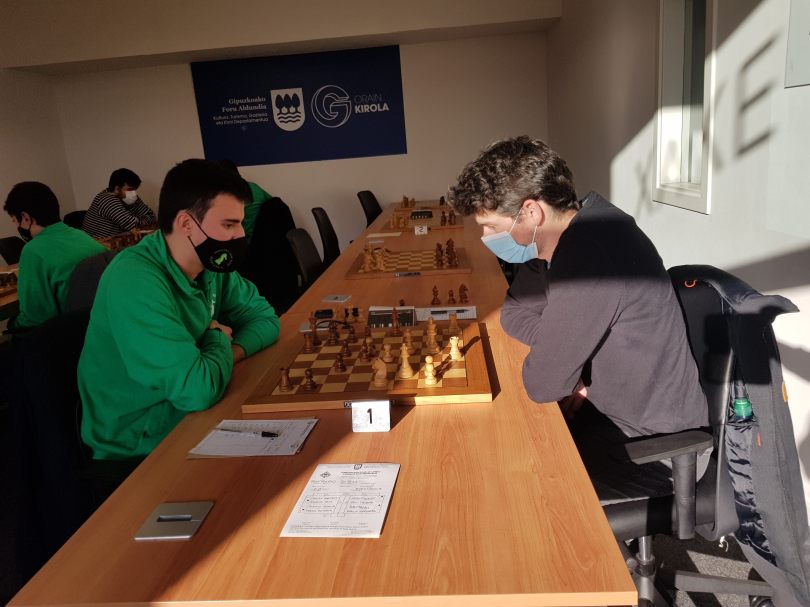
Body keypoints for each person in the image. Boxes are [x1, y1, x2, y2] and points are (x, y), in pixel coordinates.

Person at [449, 136, 708, 502]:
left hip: (654, 451)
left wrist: (564, 360)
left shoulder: (592, 256)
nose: (484, 236)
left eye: (490, 225)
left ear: (531, 212)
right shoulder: (557, 238)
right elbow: (515, 313)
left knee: (503, 487)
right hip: (603, 417)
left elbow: (542, 384)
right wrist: (569, 357)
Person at [78, 159, 281, 460]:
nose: (240, 235)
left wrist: (228, 352)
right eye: (229, 224)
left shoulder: (211, 265)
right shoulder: (135, 279)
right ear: (186, 224)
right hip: (140, 437)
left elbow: (267, 320)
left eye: (239, 222)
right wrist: (216, 338)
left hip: (193, 405)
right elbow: (196, 391)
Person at [3, 181, 106, 331]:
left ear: (25, 217)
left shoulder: (33, 251)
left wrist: (12, 325)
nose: (16, 226)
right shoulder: (82, 236)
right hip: (99, 324)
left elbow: (36, 316)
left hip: (66, 332)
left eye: (15, 220)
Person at [82, 168, 157, 238]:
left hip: (117, 242)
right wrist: (136, 221)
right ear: (117, 189)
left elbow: (151, 216)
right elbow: (129, 223)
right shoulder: (106, 198)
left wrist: (135, 221)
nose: (134, 193)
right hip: (97, 244)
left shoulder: (132, 198)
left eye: (135, 189)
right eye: (130, 189)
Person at [218, 160, 271, 242]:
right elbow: (275, 204)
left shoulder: (227, 195)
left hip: (245, 241)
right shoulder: (254, 187)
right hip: (266, 237)